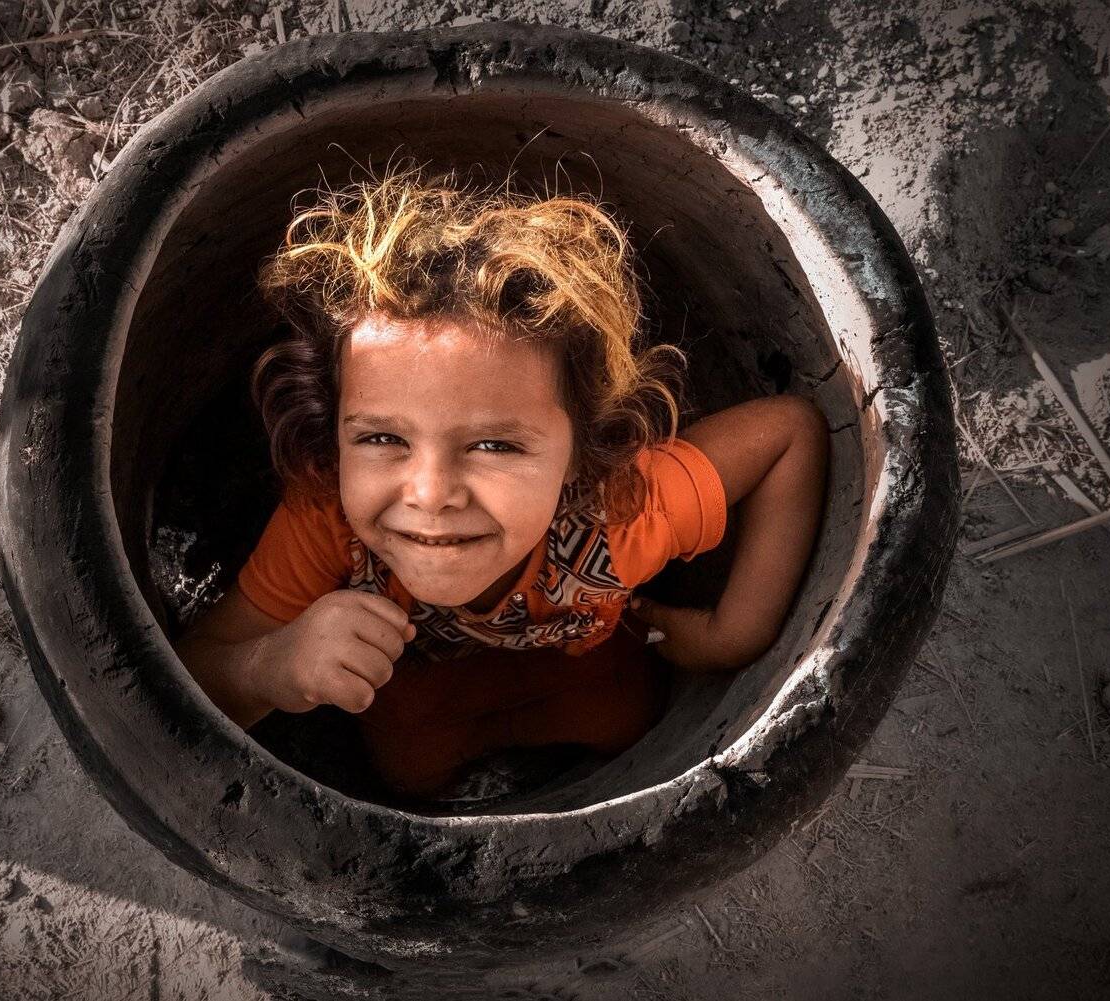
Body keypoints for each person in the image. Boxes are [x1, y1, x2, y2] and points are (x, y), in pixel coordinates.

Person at [175, 160, 828, 800]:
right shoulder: (326, 519)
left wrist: (732, 635)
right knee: (408, 764)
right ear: (331, 432)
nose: (431, 494)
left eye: (493, 444)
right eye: (383, 439)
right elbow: (188, 676)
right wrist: (273, 665)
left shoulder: (621, 512)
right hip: (424, 683)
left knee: (626, 715)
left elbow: (789, 432)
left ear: (584, 451)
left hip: (579, 670)